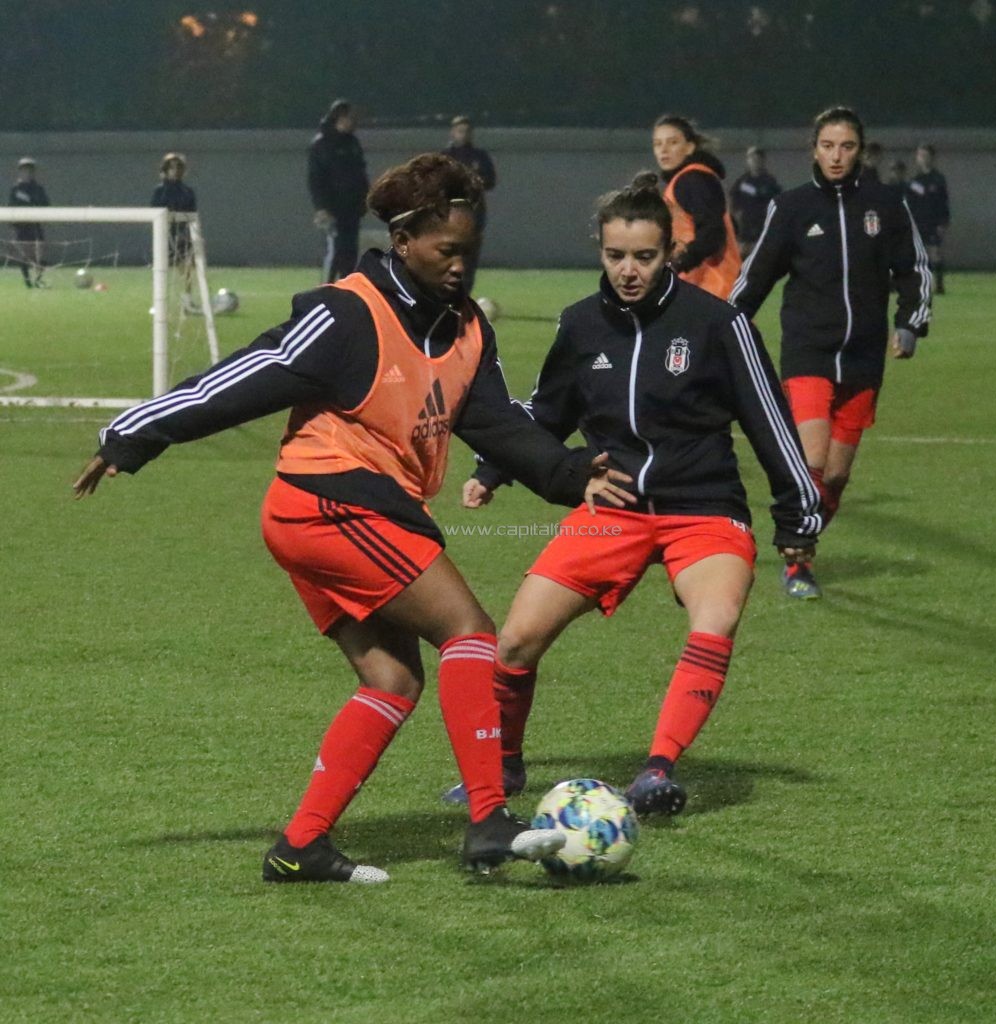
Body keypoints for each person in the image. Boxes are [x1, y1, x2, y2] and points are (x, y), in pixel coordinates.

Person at [72, 154, 634, 884]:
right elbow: (244, 375)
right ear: (403, 243)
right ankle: (490, 817)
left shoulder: (465, 330)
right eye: (446, 251)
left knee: (393, 681)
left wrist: (569, 472)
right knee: (469, 632)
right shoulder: (348, 313)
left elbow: (499, 428)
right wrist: (134, 432)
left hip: (358, 513)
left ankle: (300, 845)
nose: (462, 267)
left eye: (470, 251)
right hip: (328, 502)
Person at [441, 175, 821, 815]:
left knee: (715, 618)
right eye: (616, 255)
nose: (628, 270)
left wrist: (797, 512)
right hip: (610, 511)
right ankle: (503, 766)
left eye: (643, 256)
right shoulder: (582, 325)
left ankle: (657, 770)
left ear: (669, 251)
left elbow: (770, 420)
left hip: (702, 509)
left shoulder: (717, 323)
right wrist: (493, 467)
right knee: (513, 643)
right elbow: (547, 411)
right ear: (601, 250)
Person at [730, 106, 932, 599]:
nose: (836, 156)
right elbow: (757, 275)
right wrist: (723, 324)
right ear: (813, 150)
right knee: (813, 458)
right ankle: (797, 562)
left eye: (846, 146)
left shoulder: (886, 204)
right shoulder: (793, 206)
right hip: (808, 350)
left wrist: (910, 323)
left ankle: (806, 536)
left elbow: (913, 270)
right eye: (828, 146)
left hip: (863, 356)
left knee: (837, 476)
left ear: (860, 151)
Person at [652, 114, 741, 300]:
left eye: (672, 142)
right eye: (657, 144)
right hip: (701, 291)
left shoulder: (692, 179)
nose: (664, 149)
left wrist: (676, 264)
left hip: (712, 291)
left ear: (690, 147)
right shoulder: (687, 180)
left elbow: (712, 233)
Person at [307, 98, 369, 283]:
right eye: (351, 117)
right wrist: (321, 207)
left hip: (352, 208)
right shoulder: (322, 144)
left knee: (350, 252)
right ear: (340, 118)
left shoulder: (352, 143)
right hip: (333, 209)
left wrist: (364, 198)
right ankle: (326, 288)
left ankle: (345, 288)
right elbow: (316, 179)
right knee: (335, 251)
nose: (354, 122)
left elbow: (360, 173)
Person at [442, 115, 497, 295]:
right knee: (449, 259)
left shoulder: (479, 156)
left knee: (470, 261)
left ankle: (464, 296)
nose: (463, 134)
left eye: (467, 131)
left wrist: (475, 182)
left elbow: (491, 180)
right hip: (449, 219)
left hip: (474, 217)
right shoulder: (445, 157)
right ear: (453, 132)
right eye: (460, 131)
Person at [150, 152, 198, 304]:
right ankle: (159, 301)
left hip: (183, 234)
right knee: (160, 269)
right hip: (164, 235)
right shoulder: (159, 191)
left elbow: (192, 215)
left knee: (186, 268)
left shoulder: (187, 191)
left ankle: (187, 299)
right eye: (171, 167)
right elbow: (155, 211)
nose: (175, 171)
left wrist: (188, 233)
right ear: (165, 170)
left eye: (179, 167)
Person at [907, 144, 950, 294]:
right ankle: (921, 284)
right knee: (918, 254)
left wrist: (943, 222)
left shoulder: (938, 179)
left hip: (934, 222)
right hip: (918, 222)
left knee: (935, 252)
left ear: (932, 158)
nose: (923, 159)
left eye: (926, 156)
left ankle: (938, 285)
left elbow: (943, 202)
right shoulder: (914, 181)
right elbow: (910, 203)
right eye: (920, 156)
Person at [728, 146, 783, 259]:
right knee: (743, 254)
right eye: (752, 159)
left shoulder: (770, 182)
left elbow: (778, 202)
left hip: (763, 224)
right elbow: (733, 201)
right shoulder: (742, 181)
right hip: (745, 225)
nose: (755, 162)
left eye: (758, 159)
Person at [9, 157, 49, 288]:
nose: (27, 172)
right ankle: (28, 282)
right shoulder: (15, 189)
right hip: (21, 226)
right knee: (23, 255)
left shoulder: (38, 188)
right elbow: (11, 207)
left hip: (35, 225)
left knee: (39, 254)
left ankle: (38, 280)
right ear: (20, 171)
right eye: (24, 169)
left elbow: (46, 205)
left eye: (30, 169)